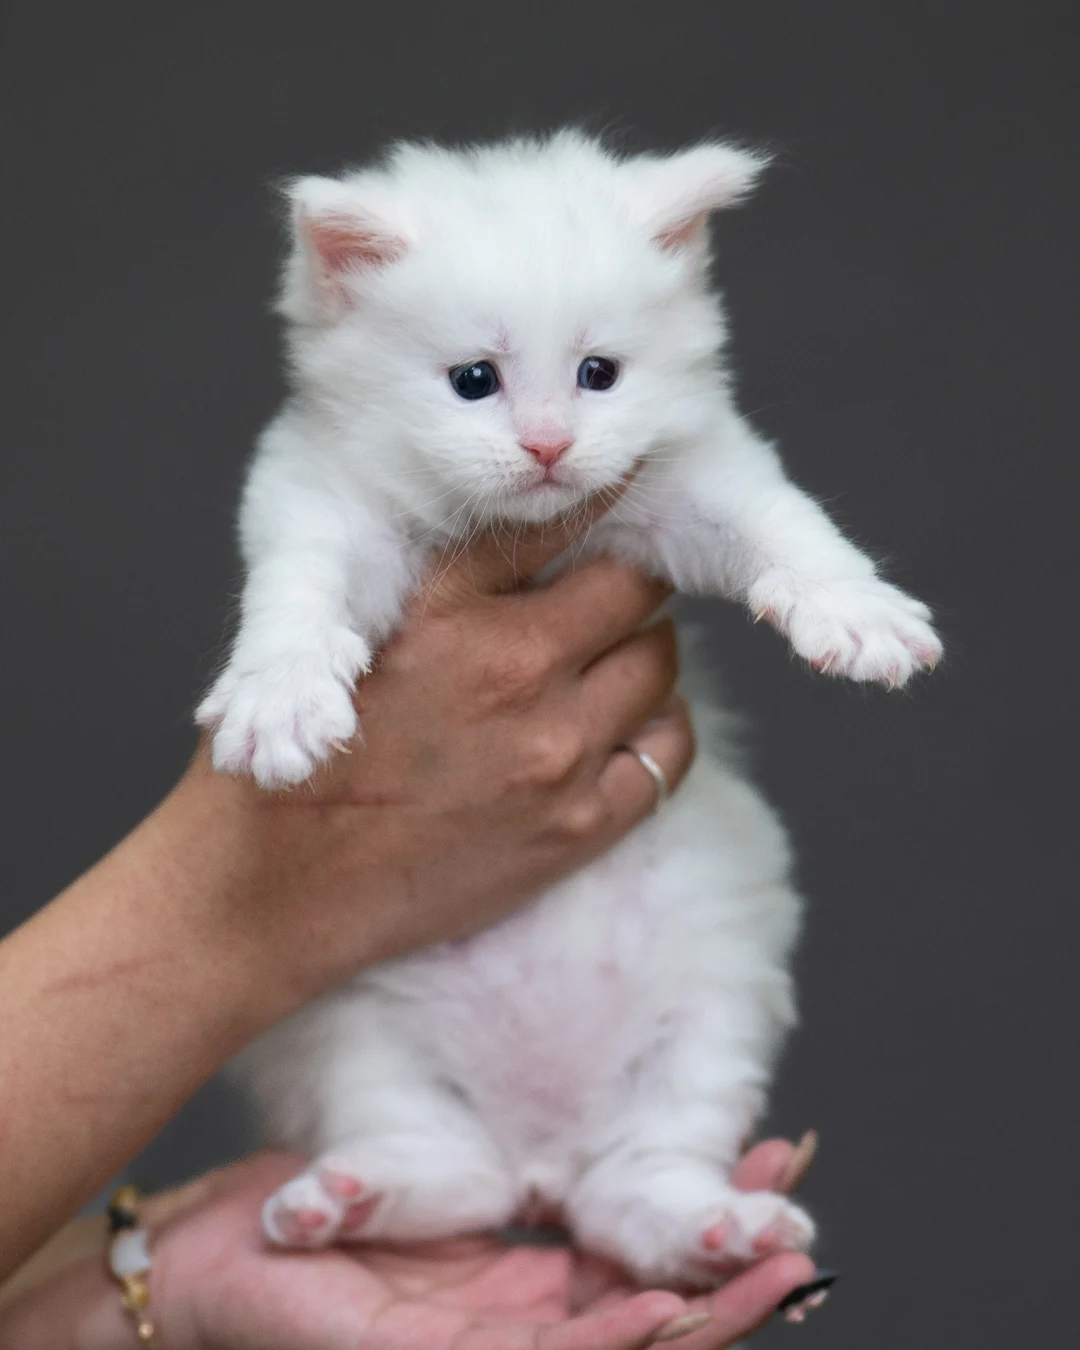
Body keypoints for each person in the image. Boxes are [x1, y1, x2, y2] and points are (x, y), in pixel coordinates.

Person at [0, 504, 820, 1346]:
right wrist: (242, 889)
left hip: (639, 918)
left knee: (724, 922)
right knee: (354, 1016)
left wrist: (154, 1284)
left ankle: (656, 1165)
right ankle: (418, 1144)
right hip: (412, 1002)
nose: (544, 438)